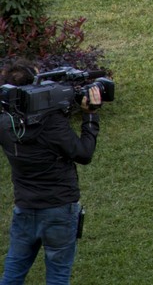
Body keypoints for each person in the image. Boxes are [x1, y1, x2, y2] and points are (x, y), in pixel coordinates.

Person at [0, 64, 101, 285]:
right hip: (59, 209)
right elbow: (84, 154)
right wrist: (90, 116)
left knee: (13, 272)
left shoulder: (5, 124)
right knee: (57, 276)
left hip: (25, 208)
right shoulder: (53, 123)